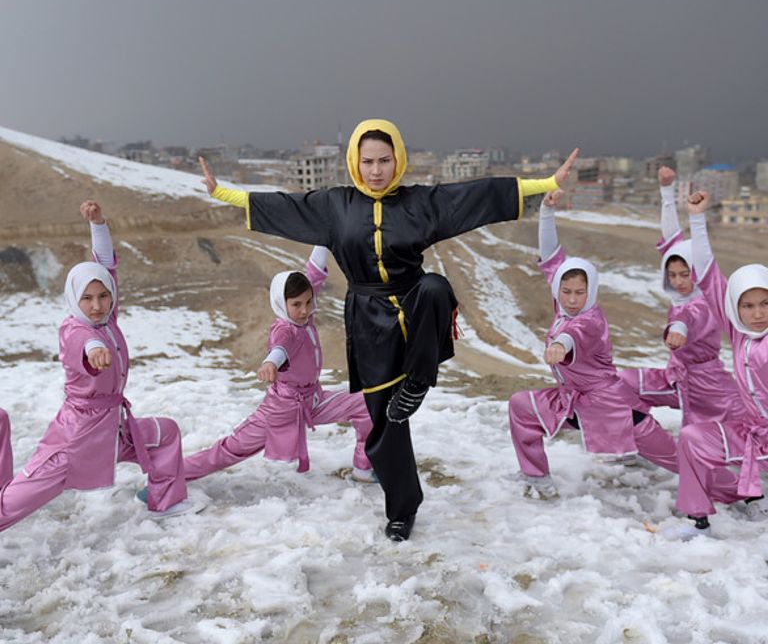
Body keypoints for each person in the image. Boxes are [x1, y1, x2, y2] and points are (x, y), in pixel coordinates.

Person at [199, 118, 578, 540]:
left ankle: (417, 380)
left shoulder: (420, 203)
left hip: (414, 306)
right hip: (367, 323)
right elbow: (283, 207)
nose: (376, 170)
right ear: (354, 163)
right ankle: (402, 509)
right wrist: (221, 193)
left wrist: (546, 182)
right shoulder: (334, 205)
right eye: (367, 161)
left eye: (384, 160)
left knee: (436, 286)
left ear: (397, 159)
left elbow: (475, 196)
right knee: (384, 424)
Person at [0, 200, 197, 532]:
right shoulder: (75, 330)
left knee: (166, 434)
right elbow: (85, 345)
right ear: (74, 300)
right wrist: (96, 352)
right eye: (87, 299)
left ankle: (165, 500)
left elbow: (106, 265)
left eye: (103, 296)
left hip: (114, 430)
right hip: (78, 439)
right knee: (9, 507)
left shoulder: (108, 317)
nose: (96, 305)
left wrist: (98, 223)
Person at [508, 190, 678, 498]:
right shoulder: (565, 304)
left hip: (609, 407)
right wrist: (546, 212)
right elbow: (551, 258)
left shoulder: (589, 321)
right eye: (567, 291)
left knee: (678, 460)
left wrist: (559, 346)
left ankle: (740, 490)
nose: (572, 299)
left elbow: (573, 336)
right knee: (522, 406)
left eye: (579, 292)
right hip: (573, 401)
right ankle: (537, 478)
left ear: (592, 291)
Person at [181, 246, 375, 484]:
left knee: (367, 403)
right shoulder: (286, 329)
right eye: (297, 305)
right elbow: (279, 349)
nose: (304, 310)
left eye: (308, 302)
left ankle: (363, 469)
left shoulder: (303, 313)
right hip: (281, 409)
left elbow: (312, 277)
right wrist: (270, 363)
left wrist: (325, 239)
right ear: (282, 304)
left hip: (314, 400)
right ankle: (172, 476)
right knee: (232, 449)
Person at [666, 190, 768, 539]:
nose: (757, 313)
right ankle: (699, 522)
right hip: (750, 435)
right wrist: (697, 218)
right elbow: (709, 277)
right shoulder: (739, 335)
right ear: (736, 310)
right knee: (693, 437)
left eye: (765, 303)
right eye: (748, 305)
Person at [618, 167, 742, 426]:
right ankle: (643, 443)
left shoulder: (705, 300)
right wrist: (666, 190)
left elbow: (690, 317)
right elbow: (672, 237)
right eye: (672, 275)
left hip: (709, 385)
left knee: (731, 434)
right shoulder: (679, 296)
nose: (678, 281)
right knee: (622, 385)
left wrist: (678, 330)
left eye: (685, 274)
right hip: (675, 378)